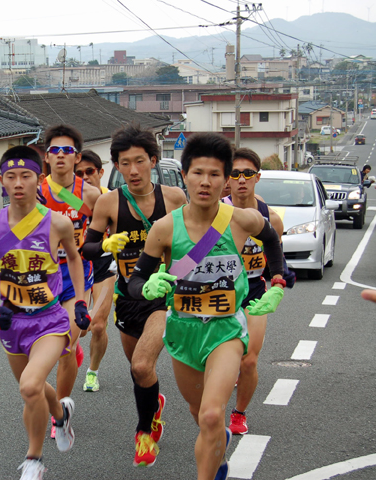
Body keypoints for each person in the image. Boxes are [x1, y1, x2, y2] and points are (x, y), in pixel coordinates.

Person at [127, 132, 286, 480]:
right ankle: (218, 449)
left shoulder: (240, 220)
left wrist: (278, 281)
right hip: (183, 331)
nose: (205, 182)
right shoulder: (164, 229)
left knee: (213, 415)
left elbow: (272, 239)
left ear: (226, 179)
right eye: (198, 172)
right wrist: (149, 286)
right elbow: (135, 282)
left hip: (225, 328)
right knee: (200, 414)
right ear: (184, 175)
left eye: (215, 174)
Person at [0, 145, 91, 479]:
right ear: (1, 181)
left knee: (29, 387)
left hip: (50, 319)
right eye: (10, 176)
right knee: (34, 389)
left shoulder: (57, 223)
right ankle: (61, 414)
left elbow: (75, 259)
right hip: (11, 323)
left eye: (25, 176)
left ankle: (34, 460)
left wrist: (80, 302)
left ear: (38, 179)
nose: (18, 183)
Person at [81, 123, 187, 467]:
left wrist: (177, 276)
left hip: (163, 297)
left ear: (153, 160)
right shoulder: (109, 202)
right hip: (127, 295)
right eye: (124, 163)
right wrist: (107, 244)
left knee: (143, 365)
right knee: (139, 371)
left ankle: (144, 431)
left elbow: (194, 245)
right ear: (116, 166)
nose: (133, 170)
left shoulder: (174, 199)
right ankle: (154, 403)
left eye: (139, 161)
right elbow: (88, 247)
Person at [39, 125, 101, 438]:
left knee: (65, 344)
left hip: (78, 274)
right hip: (42, 276)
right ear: (46, 157)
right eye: (54, 151)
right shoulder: (36, 191)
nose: (60, 156)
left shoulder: (91, 194)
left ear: (77, 157)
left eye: (67, 151)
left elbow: (103, 231)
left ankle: (60, 413)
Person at [225, 148, 286, 436]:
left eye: (247, 174)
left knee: (249, 358)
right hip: (221, 291)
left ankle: (238, 413)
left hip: (253, 289)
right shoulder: (216, 211)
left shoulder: (270, 218)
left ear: (257, 177)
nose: (241, 180)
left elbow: (276, 256)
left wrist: (278, 283)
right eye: (235, 173)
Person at [74, 149, 116, 393]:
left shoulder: (112, 200)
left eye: (90, 171)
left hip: (105, 266)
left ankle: (92, 371)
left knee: (98, 325)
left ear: (101, 172)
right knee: (79, 329)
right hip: (78, 266)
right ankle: (75, 345)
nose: (85, 177)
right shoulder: (70, 202)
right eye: (79, 173)